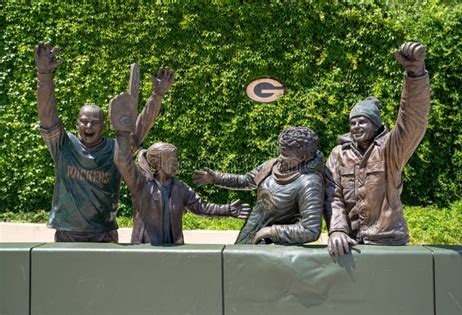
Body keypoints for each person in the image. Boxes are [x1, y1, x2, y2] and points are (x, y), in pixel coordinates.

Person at [35, 41, 174, 242]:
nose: (89, 127)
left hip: (104, 234)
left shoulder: (115, 150)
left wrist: (157, 95)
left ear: (103, 126)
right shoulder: (63, 145)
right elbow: (47, 116)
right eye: (84, 122)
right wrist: (44, 75)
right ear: (77, 125)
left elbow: (140, 127)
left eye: (94, 123)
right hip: (68, 233)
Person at [325, 42, 430, 256]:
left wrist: (415, 74)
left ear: (376, 124)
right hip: (349, 244)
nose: (356, 127)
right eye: (352, 123)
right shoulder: (339, 154)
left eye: (362, 122)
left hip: (388, 241)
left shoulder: (390, 149)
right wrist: (336, 230)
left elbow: (412, 118)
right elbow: (332, 195)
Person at [110, 93, 250, 245]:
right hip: (145, 250)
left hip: (173, 251)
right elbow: (123, 161)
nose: (177, 164)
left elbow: (201, 207)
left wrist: (228, 210)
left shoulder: (179, 188)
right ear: (157, 162)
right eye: (172, 161)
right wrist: (122, 132)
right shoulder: (141, 184)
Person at [193, 126, 324, 245]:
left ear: (302, 157)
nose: (279, 158)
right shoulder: (272, 166)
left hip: (273, 250)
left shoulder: (309, 183)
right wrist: (215, 178)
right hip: (249, 236)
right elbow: (246, 181)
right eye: (280, 152)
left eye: (285, 155)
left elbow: (310, 229)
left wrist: (271, 231)